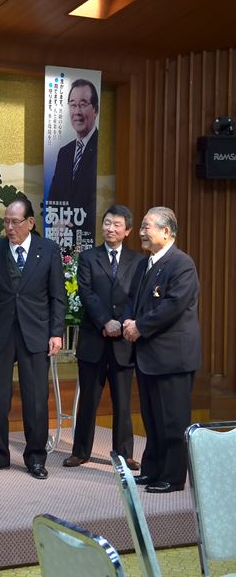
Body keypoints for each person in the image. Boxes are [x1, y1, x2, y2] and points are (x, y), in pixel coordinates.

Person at [0, 197, 65, 479]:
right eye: (6, 221)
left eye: (15, 222)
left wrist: (56, 332)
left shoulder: (48, 250)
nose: (9, 227)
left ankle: (36, 457)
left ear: (30, 222)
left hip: (36, 332)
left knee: (36, 398)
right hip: (0, 332)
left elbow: (57, 296)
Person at [122, 207, 201, 493]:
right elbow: (133, 299)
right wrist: (129, 321)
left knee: (172, 421)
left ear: (166, 232)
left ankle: (173, 477)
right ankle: (152, 469)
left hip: (172, 358)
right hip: (148, 357)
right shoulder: (145, 264)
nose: (141, 233)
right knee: (152, 419)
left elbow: (173, 306)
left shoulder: (182, 264)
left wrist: (139, 326)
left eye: (146, 227)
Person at [64, 205, 141, 470]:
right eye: (107, 223)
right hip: (94, 338)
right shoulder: (88, 257)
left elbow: (136, 297)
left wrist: (121, 323)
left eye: (117, 224)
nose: (110, 228)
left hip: (123, 341)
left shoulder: (138, 261)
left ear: (128, 230)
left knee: (122, 401)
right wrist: (104, 322)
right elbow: (86, 293)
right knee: (88, 400)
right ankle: (81, 451)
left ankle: (124, 454)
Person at [47, 78, 99, 210]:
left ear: (96, 110)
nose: (77, 112)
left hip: (89, 228)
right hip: (60, 228)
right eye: (73, 105)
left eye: (83, 104)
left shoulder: (101, 149)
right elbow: (54, 197)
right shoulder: (64, 152)